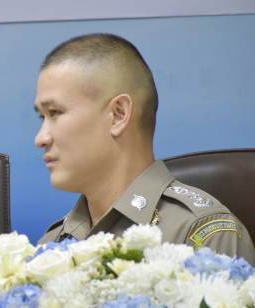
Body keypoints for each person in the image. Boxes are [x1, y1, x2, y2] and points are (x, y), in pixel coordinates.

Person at [34, 33, 255, 264]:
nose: (40, 138)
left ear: (118, 114)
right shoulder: (52, 246)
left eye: (55, 113)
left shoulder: (202, 237)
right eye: (42, 116)